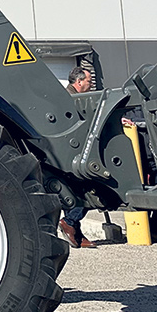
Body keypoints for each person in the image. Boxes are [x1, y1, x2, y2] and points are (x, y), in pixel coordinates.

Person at [57, 66, 97, 249]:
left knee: (73, 193)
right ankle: (70, 222)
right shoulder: (72, 99)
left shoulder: (73, 97)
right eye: (89, 81)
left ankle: (77, 235)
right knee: (88, 190)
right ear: (79, 81)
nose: (91, 84)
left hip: (70, 152)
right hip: (73, 152)